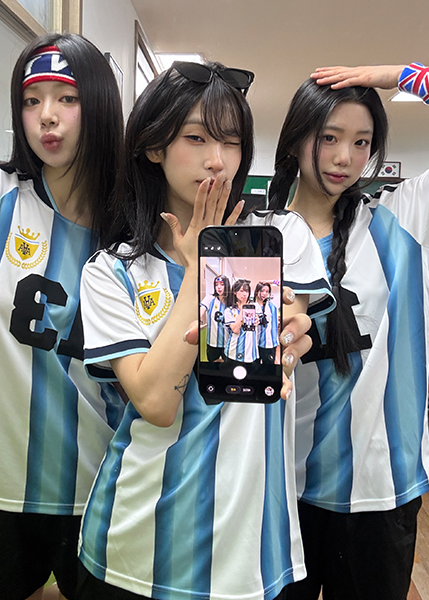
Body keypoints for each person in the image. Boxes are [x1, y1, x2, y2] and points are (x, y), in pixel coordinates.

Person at [78, 60, 335, 600]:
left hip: (256, 550)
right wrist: (200, 266)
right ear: (154, 146)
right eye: (196, 138)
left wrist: (292, 340)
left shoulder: (279, 235)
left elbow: (283, 343)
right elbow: (155, 402)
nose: (218, 160)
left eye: (232, 142)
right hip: (141, 547)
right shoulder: (112, 271)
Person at [0, 33, 125, 600]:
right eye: (31, 100)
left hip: (99, 484)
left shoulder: (130, 227)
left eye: (67, 98)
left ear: (98, 106)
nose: (46, 115)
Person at [268, 63, 429, 600]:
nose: (345, 157)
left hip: (382, 488)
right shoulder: (258, 238)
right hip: (283, 490)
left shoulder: (403, 220)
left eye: (362, 141)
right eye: (329, 138)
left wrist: (399, 75)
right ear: (297, 139)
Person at [224, 279, 260, 363]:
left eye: (247, 291)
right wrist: (242, 310)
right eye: (241, 291)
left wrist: (257, 321)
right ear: (235, 292)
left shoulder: (254, 306)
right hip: (234, 352)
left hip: (251, 352)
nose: (245, 294)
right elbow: (235, 330)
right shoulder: (229, 311)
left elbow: (256, 324)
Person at [200, 275, 231, 361]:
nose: (219, 287)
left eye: (222, 284)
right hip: (212, 343)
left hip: (228, 344)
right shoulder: (210, 298)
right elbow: (201, 310)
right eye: (216, 285)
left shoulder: (231, 302)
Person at [254, 281, 280, 364]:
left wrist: (269, 282)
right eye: (262, 291)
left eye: (267, 291)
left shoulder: (273, 304)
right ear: (257, 291)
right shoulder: (253, 306)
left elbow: (283, 286)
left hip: (270, 343)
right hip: (255, 343)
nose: (264, 294)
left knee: (269, 367)